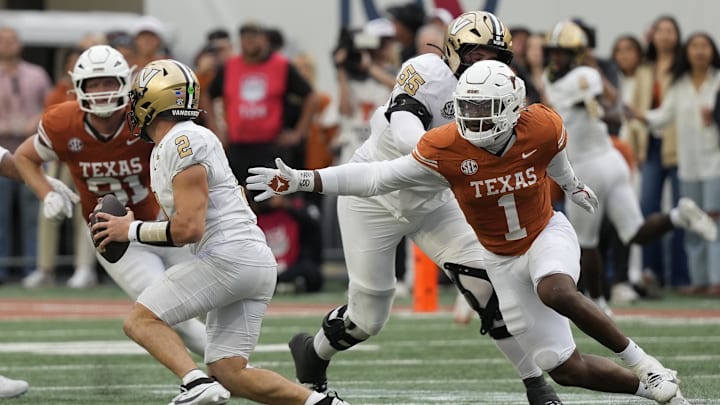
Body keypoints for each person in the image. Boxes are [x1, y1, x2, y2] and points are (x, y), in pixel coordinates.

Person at [246, 60, 689, 405]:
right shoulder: (445, 146)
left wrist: (572, 185)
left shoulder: (543, 124)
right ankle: (651, 390)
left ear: (513, 106)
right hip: (493, 253)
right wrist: (305, 180)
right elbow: (378, 177)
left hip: (543, 235)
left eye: (486, 109)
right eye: (468, 108)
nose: (475, 119)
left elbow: (555, 157)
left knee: (553, 288)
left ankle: (645, 364)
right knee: (563, 366)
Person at [263, 11, 562, 405]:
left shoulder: (505, 90)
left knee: (485, 287)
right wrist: (453, 154)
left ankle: (536, 385)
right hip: (373, 194)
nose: (483, 63)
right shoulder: (426, 70)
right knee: (368, 318)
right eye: (474, 54)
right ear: (453, 53)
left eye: (492, 55)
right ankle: (313, 354)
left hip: (435, 201)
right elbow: (408, 134)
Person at [91, 58, 348, 405]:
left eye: (138, 97)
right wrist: (128, 223)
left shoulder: (183, 141)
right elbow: (183, 222)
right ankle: (322, 404)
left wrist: (130, 230)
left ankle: (194, 383)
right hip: (248, 259)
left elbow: (189, 229)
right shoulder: (177, 142)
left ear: (153, 100)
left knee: (141, 321)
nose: (132, 107)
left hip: (229, 256)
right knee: (229, 372)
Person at [13, 45, 207, 356]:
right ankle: (213, 376)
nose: (102, 91)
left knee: (212, 299)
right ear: (77, 85)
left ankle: (229, 370)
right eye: (94, 84)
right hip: (114, 236)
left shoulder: (145, 116)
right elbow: (24, 157)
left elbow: (189, 150)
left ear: (126, 81)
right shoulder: (63, 122)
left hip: (161, 222)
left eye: (109, 82)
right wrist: (46, 193)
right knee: (164, 306)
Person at [542, 20, 716, 315]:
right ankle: (678, 216)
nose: (557, 57)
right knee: (635, 232)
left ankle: (597, 303)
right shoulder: (555, 77)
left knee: (587, 242)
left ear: (578, 53)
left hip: (588, 166)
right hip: (609, 161)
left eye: (564, 52)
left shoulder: (584, 75)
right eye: (555, 51)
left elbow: (604, 108)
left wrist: (603, 111)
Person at [630, 32, 720, 296]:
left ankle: (717, 280)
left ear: (713, 51)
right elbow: (663, 116)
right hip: (688, 164)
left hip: (716, 162)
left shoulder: (717, 82)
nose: (700, 51)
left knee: (715, 219)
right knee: (694, 220)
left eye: (704, 46)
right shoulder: (679, 85)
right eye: (695, 46)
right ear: (687, 52)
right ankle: (699, 280)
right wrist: (640, 115)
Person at [203, 20, 319, 182]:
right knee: (238, 195)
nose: (249, 41)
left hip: (270, 147)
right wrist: (216, 130)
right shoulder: (230, 66)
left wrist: (298, 133)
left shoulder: (281, 65)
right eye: (245, 37)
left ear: (264, 39)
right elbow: (208, 95)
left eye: (254, 37)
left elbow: (311, 96)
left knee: (271, 199)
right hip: (237, 146)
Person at [0, 26, 51, 282]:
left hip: (32, 152)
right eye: (3, 40)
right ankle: (2, 270)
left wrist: (35, 121)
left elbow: (51, 108)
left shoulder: (37, 74)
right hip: (1, 151)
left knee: (35, 214)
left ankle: (33, 269)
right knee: (0, 215)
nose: (8, 44)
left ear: (20, 44)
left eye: (12, 39)